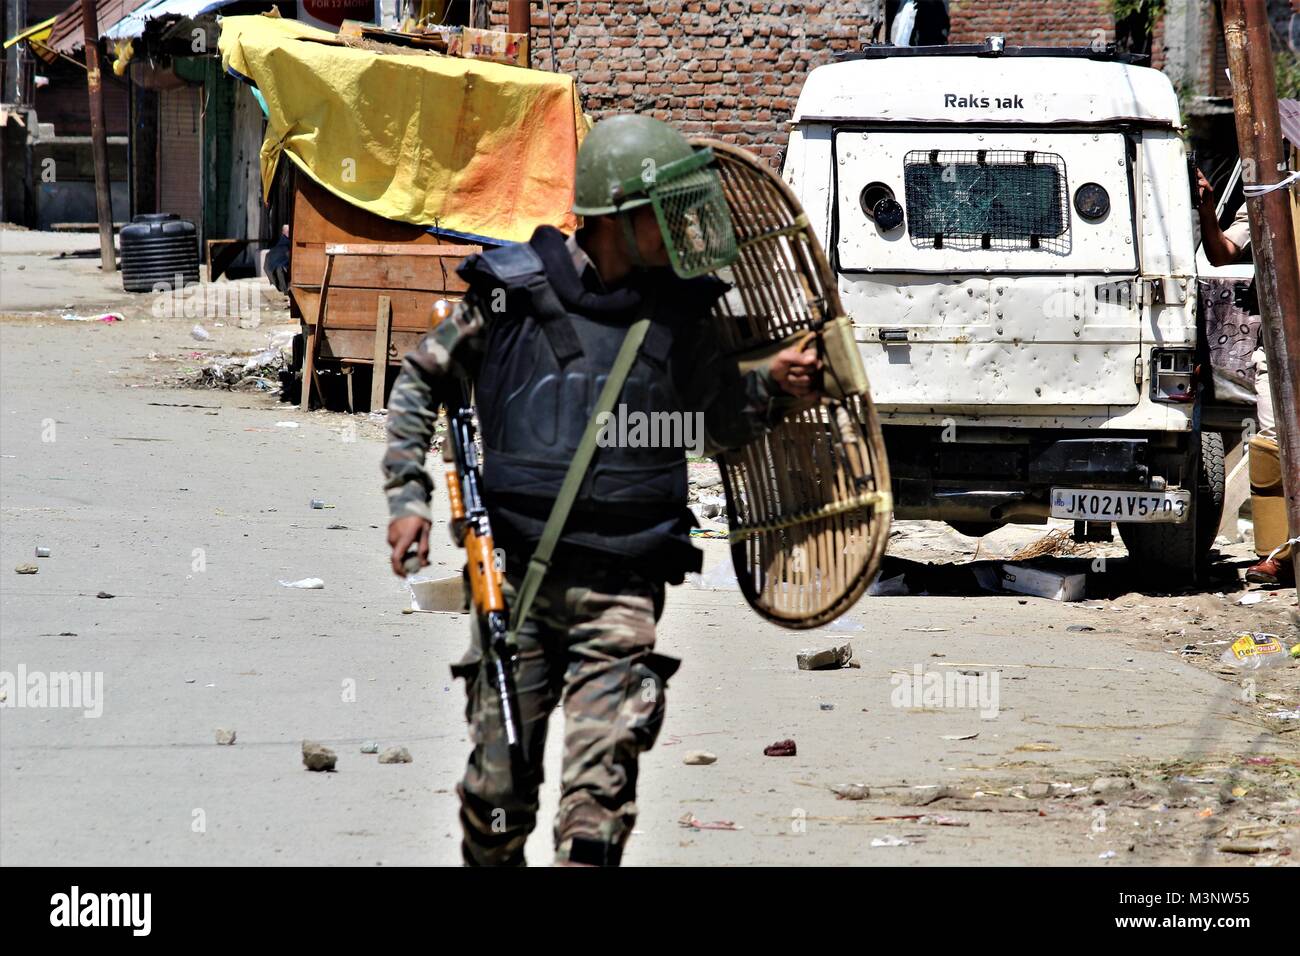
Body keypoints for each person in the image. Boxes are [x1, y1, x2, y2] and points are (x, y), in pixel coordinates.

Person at [381, 114, 821, 865]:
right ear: (619, 217)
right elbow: (423, 377)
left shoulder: (684, 315)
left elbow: (715, 426)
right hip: (516, 578)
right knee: (495, 802)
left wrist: (773, 387)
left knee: (597, 811)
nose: (680, 227)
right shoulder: (508, 293)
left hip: (625, 586)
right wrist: (408, 500)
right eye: (664, 212)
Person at [1196, 169, 1293, 586]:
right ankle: (1277, 554)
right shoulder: (1271, 194)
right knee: (1273, 450)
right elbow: (1222, 252)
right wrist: (1205, 205)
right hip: (1278, 345)